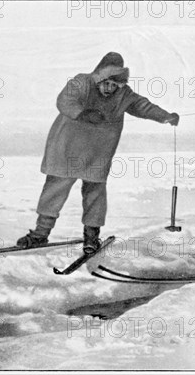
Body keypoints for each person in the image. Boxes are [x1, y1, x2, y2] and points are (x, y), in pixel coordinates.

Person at [17, 52, 179, 251]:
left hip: (98, 154)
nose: (110, 89)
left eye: (115, 85)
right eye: (107, 83)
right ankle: (40, 234)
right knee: (55, 191)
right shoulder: (81, 82)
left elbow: (143, 106)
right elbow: (64, 101)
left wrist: (165, 117)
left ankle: (91, 238)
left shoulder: (124, 94)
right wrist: (83, 113)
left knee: (95, 194)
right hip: (67, 148)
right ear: (99, 77)